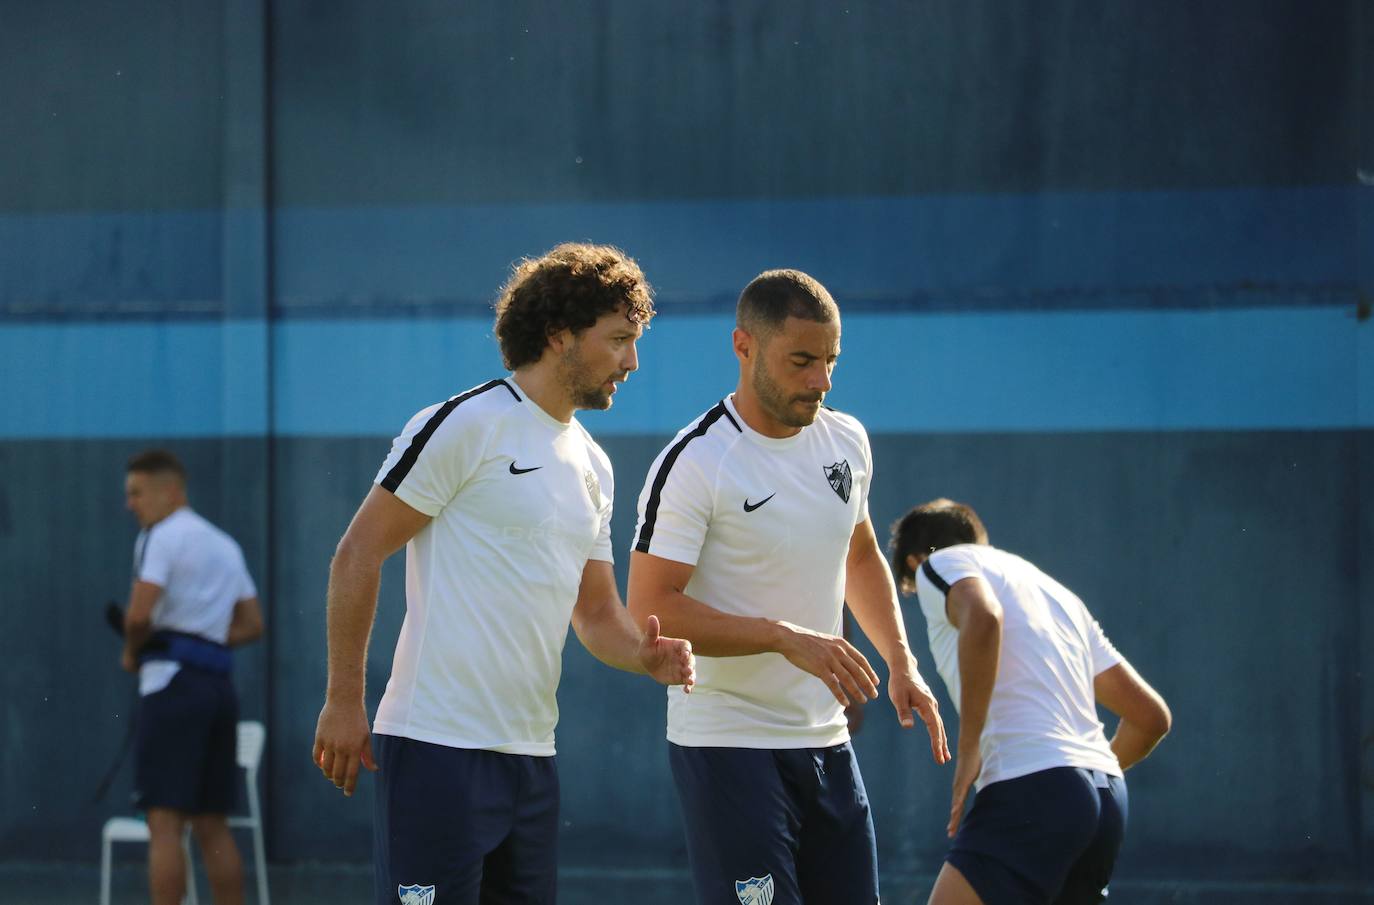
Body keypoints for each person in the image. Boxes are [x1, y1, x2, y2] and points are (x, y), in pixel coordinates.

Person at [311, 242, 696, 905]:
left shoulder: (593, 465)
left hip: (530, 760)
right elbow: (357, 552)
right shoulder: (467, 424)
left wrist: (643, 655)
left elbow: (597, 612)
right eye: (619, 340)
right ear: (558, 335)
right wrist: (345, 697)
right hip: (435, 749)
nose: (632, 362)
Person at [627, 269, 949, 905]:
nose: (821, 381)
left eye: (831, 361)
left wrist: (901, 661)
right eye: (802, 361)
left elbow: (858, 556)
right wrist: (781, 639)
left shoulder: (846, 439)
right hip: (728, 746)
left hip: (827, 743)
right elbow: (649, 608)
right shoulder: (695, 461)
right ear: (744, 347)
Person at [890, 498, 1172, 905]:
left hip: (1030, 791)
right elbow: (1150, 718)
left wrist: (969, 747)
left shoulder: (941, 563)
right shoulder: (1058, 594)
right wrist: (1075, 786)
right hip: (1107, 800)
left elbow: (984, 617)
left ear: (915, 562)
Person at [120, 449, 265, 905]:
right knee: (212, 822)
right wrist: (204, 641)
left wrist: (131, 652)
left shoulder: (159, 537)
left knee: (164, 822)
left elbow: (139, 614)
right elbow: (252, 623)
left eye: (137, 493)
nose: (131, 504)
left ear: (169, 491)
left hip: (172, 689)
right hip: (218, 691)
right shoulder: (224, 543)